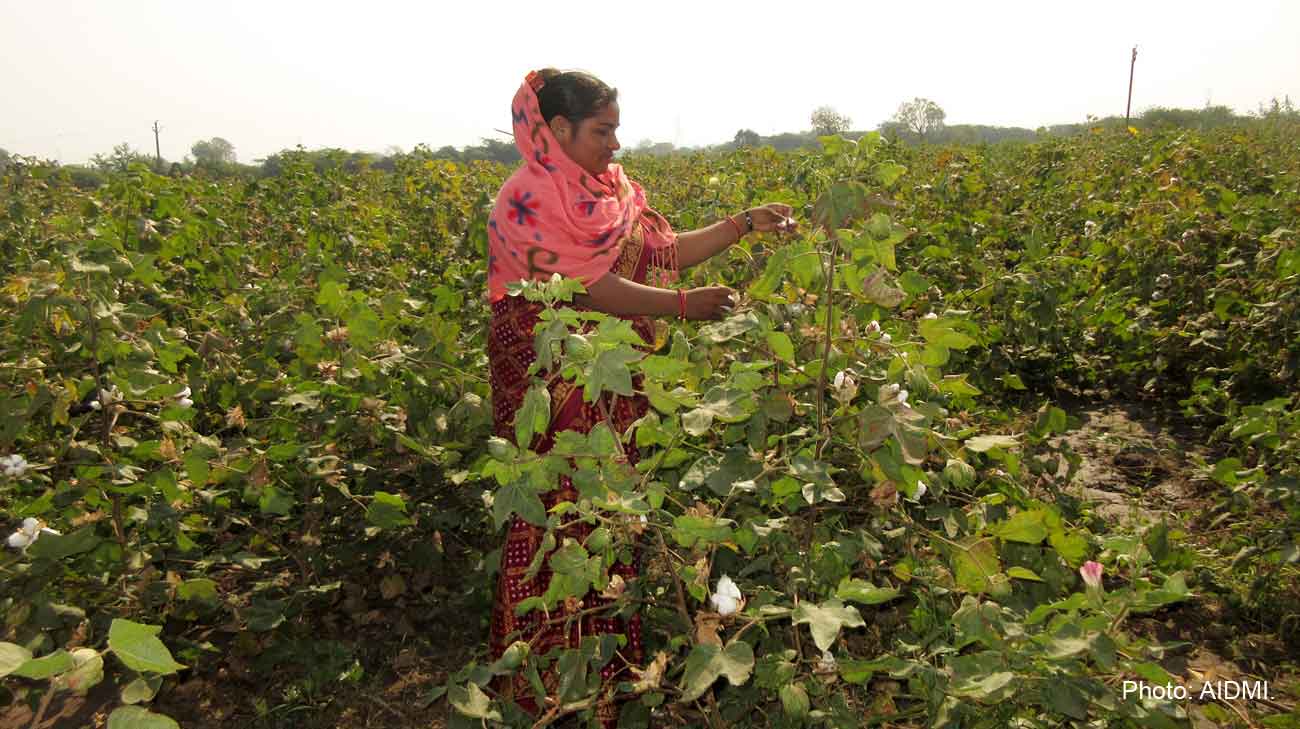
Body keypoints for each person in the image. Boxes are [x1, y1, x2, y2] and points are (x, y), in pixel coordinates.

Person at [484, 68, 796, 725]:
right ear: (559, 129)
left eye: (617, 129)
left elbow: (664, 252)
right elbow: (589, 287)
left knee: (609, 516)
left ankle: (605, 680)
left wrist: (743, 223)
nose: (616, 145)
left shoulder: (608, 190)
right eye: (604, 131)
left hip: (606, 374)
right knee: (557, 518)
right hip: (556, 377)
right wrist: (683, 307)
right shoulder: (528, 197)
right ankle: (543, 690)